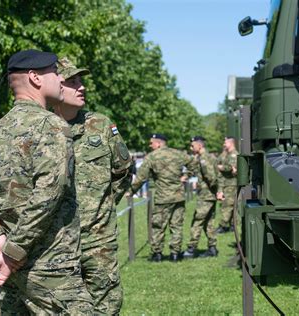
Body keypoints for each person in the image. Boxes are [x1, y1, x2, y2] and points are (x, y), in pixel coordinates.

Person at [0, 49, 94, 314]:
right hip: (51, 270)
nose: (61, 80)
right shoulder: (53, 126)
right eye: (56, 73)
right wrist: (11, 254)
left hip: (9, 272)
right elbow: (47, 196)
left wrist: (0, 244)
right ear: (35, 78)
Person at [52, 57, 132, 315]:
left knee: (106, 304)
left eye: (81, 80)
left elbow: (123, 170)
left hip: (98, 237)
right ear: (54, 85)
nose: (81, 86)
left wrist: (103, 205)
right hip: (56, 240)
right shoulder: (41, 128)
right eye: (72, 81)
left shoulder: (100, 124)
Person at [129, 134, 194, 262]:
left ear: (158, 144)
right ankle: (175, 254)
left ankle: (157, 254)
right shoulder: (178, 154)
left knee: (158, 226)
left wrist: (131, 191)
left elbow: (141, 177)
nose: (150, 145)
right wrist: (186, 175)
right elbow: (193, 163)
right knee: (177, 226)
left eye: (151, 143)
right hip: (178, 196)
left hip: (162, 198)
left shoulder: (151, 157)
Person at [183, 136, 218, 258]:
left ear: (200, 145)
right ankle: (212, 248)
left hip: (206, 195)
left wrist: (215, 190)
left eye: (192, 146)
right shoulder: (205, 157)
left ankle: (191, 249)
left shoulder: (203, 159)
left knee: (197, 221)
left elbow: (211, 177)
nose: (190, 148)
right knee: (208, 222)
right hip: (210, 195)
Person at [216, 136, 239, 233]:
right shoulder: (227, 154)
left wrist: (221, 167)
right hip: (228, 183)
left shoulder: (234, 155)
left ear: (231, 143)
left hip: (231, 184)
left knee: (227, 205)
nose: (224, 144)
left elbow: (230, 167)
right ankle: (233, 225)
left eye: (225, 143)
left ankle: (224, 225)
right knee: (231, 205)